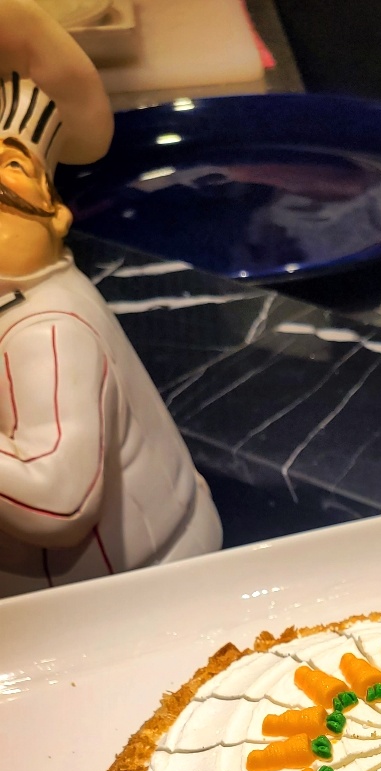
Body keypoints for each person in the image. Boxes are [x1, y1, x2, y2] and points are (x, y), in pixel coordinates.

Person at [0, 0, 221, 595]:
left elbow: (58, 500)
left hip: (129, 595)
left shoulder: (45, 330)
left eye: (11, 171)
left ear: (55, 217)